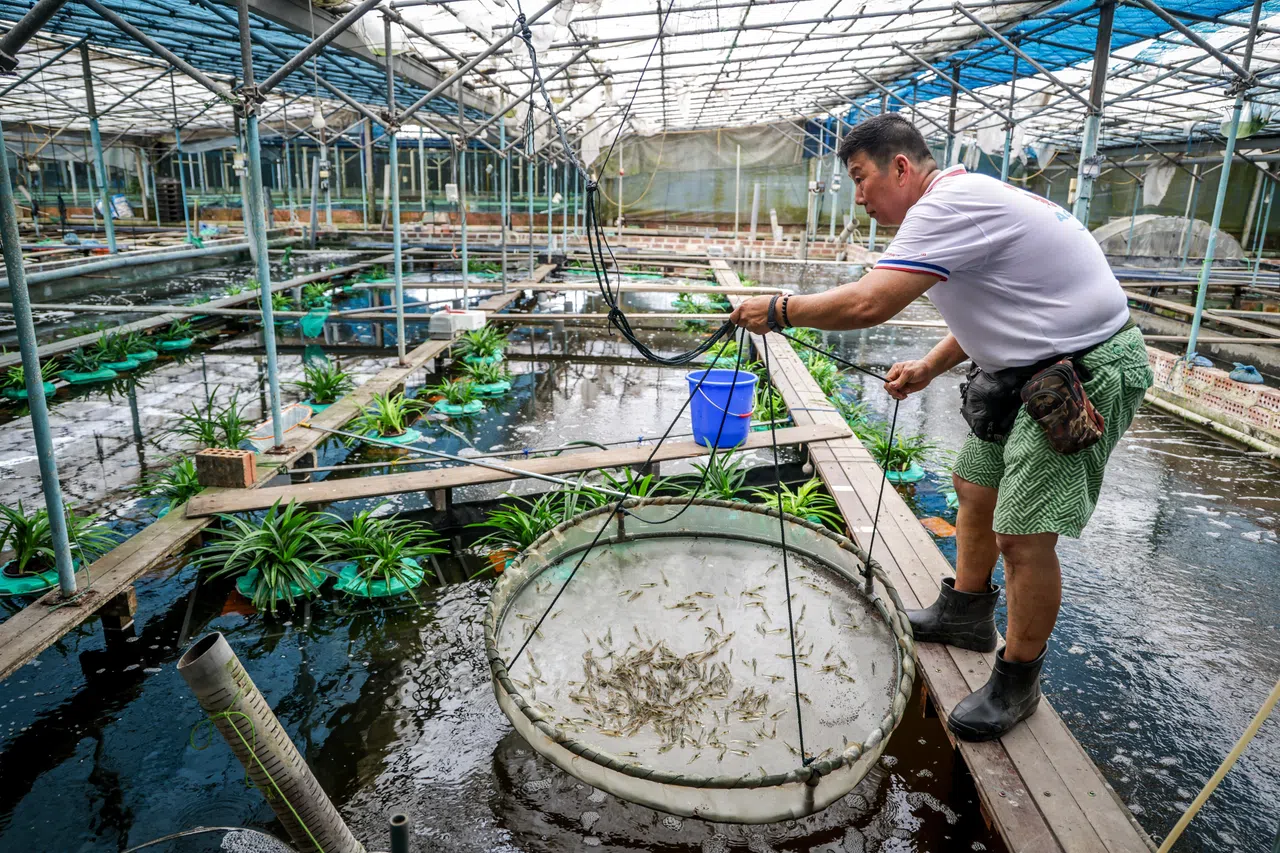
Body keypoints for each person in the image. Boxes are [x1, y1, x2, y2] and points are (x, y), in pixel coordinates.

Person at [729, 113, 1153, 742]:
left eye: (861, 177)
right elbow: (1001, 300)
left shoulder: (948, 204)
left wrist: (781, 308)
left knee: (1025, 535)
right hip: (1023, 369)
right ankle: (966, 613)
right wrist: (930, 365)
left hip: (1081, 374)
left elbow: (871, 303)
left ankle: (1018, 680)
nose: (860, 195)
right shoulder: (963, 200)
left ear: (901, 167)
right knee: (973, 486)